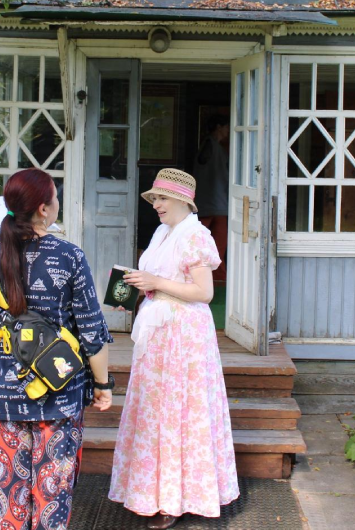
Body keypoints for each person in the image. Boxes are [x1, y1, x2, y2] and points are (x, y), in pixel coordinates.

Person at [0, 168, 114, 530]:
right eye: (56, 197)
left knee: (9, 497)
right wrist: (103, 385)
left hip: (1, 395)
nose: (57, 203)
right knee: (52, 498)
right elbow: (92, 331)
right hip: (57, 395)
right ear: (43, 209)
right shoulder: (68, 257)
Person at [109, 168, 239, 530]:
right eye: (154, 199)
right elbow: (159, 282)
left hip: (184, 336)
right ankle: (150, 492)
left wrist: (156, 282)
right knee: (154, 408)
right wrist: (136, 291)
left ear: (183, 200)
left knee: (178, 411)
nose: (156, 205)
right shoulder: (161, 233)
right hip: (158, 329)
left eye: (162, 198)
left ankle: (176, 498)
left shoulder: (196, 236)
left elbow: (204, 293)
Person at [193, 115, 230, 283]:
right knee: (205, 245)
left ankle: (217, 280)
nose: (228, 130)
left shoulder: (214, 146)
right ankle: (209, 280)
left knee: (216, 247)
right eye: (226, 126)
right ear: (219, 127)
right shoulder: (210, 145)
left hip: (217, 203)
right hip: (210, 203)